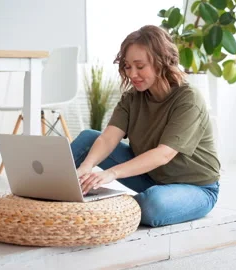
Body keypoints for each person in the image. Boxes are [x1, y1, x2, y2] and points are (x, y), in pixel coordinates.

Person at [71, 25, 221, 227]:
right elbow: (108, 138)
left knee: (152, 204)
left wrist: (111, 173)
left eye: (140, 66)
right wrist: (86, 167)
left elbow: (163, 155)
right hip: (151, 177)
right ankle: (51, 188)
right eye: (127, 66)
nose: (132, 74)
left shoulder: (189, 99)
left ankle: (104, 209)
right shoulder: (132, 98)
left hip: (197, 188)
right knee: (88, 138)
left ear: (161, 62)